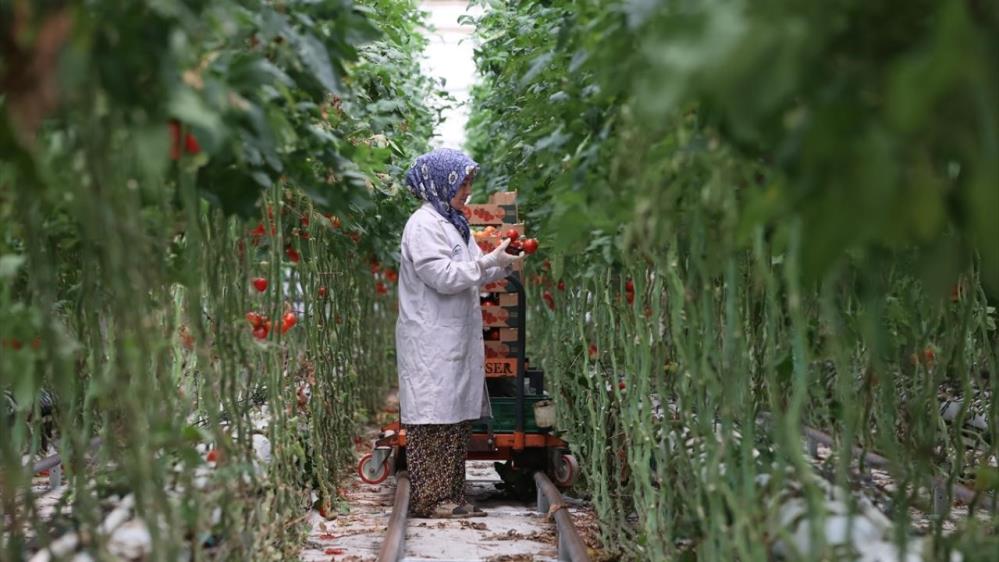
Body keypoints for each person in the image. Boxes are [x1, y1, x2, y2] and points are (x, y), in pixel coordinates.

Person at [396, 148, 524, 518]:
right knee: (433, 419)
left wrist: (500, 262)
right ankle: (429, 499)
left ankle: (450, 497)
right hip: (430, 338)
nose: (467, 189)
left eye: (469, 181)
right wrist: (486, 262)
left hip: (451, 336)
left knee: (453, 418)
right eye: (463, 181)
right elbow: (444, 276)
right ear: (441, 181)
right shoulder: (422, 225)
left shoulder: (452, 222)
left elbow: (470, 270)